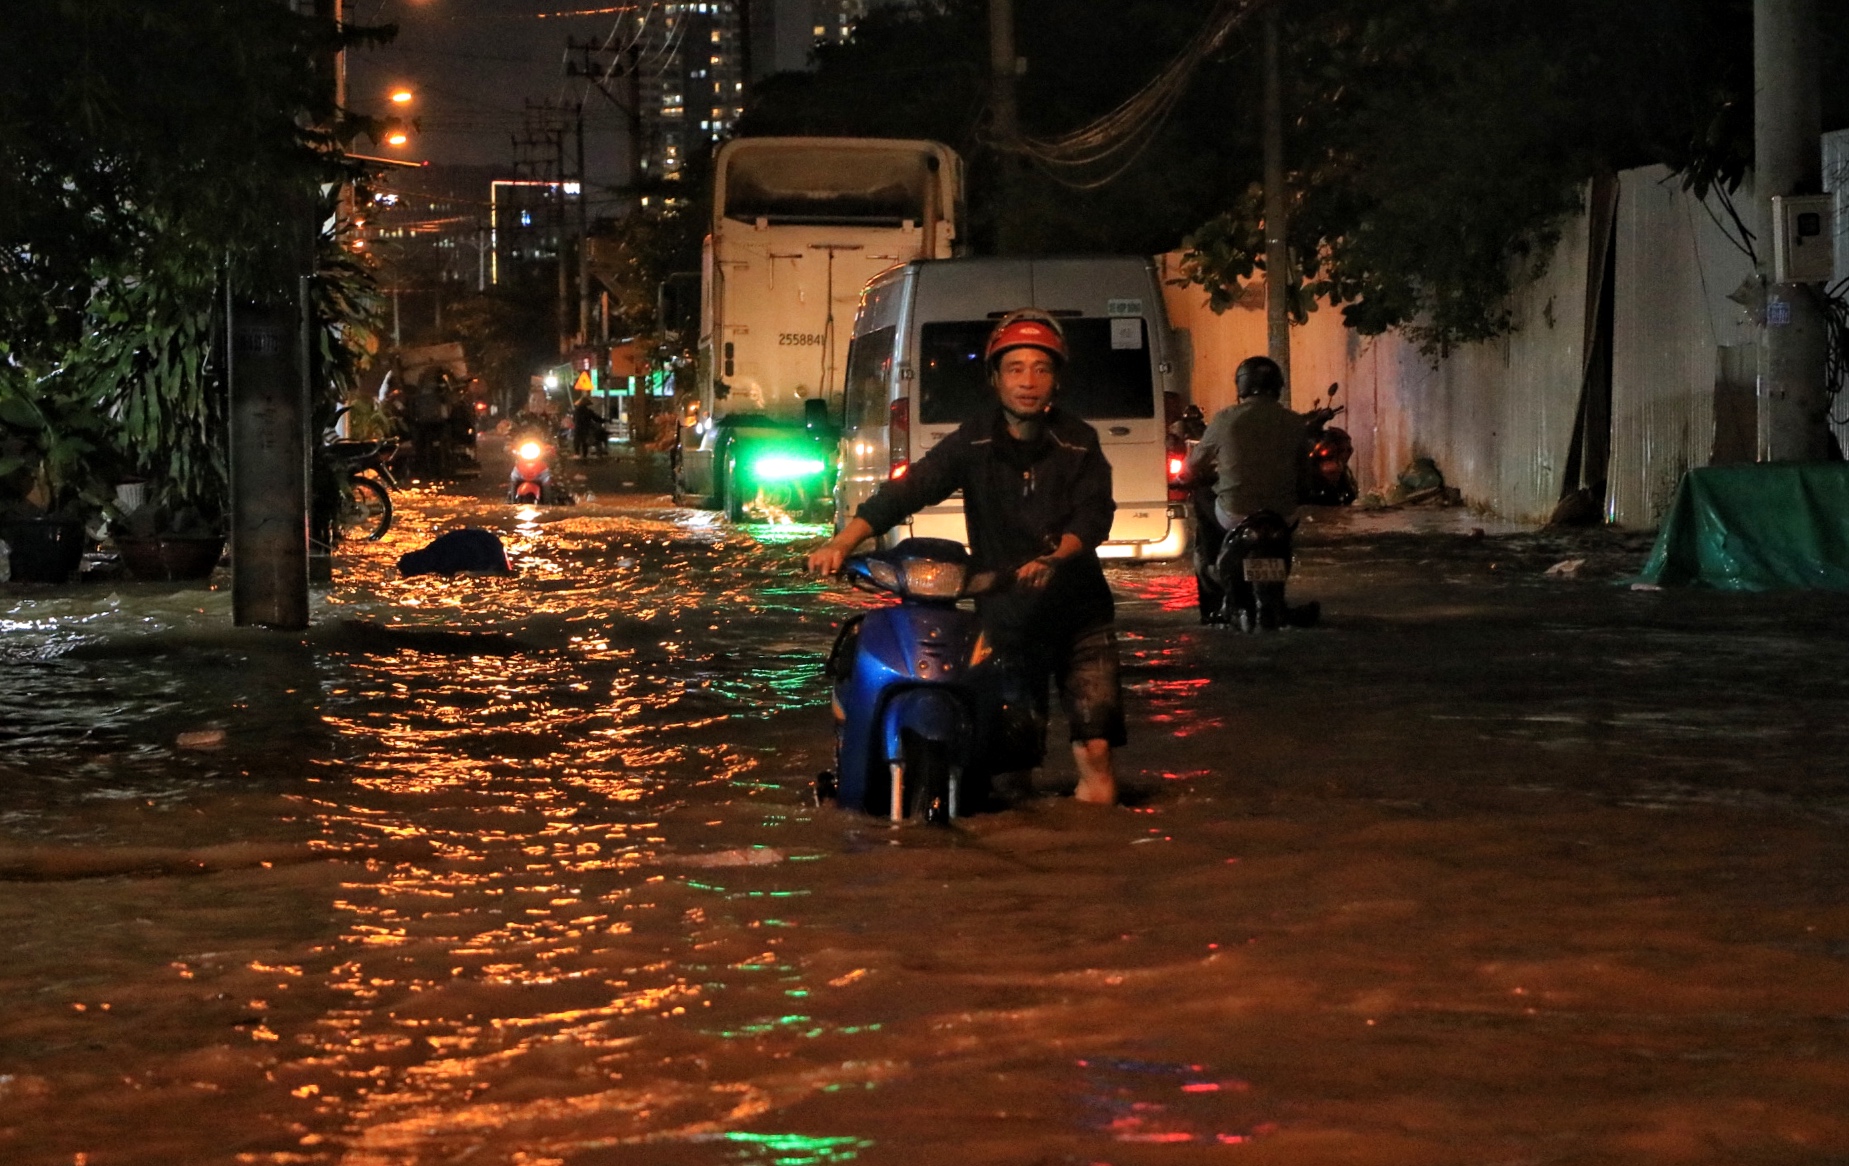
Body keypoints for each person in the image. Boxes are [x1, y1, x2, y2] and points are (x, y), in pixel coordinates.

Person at [807, 309, 1124, 805]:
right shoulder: (972, 442)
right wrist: (844, 542)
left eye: (1041, 369)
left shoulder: (1079, 442)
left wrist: (1055, 559)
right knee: (1009, 771)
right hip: (1007, 619)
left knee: (1097, 748)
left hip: (1081, 614)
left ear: (1056, 381)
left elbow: (1094, 518)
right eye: (1015, 368)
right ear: (995, 378)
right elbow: (909, 490)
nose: (1028, 382)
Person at [1183, 355, 1310, 624]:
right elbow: (1304, 470)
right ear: (1278, 385)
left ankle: (1212, 569)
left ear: (1241, 386)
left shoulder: (1225, 419)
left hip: (1235, 515)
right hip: (1283, 516)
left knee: (1203, 498)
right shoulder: (1295, 422)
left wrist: (1189, 474)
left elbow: (1191, 467)